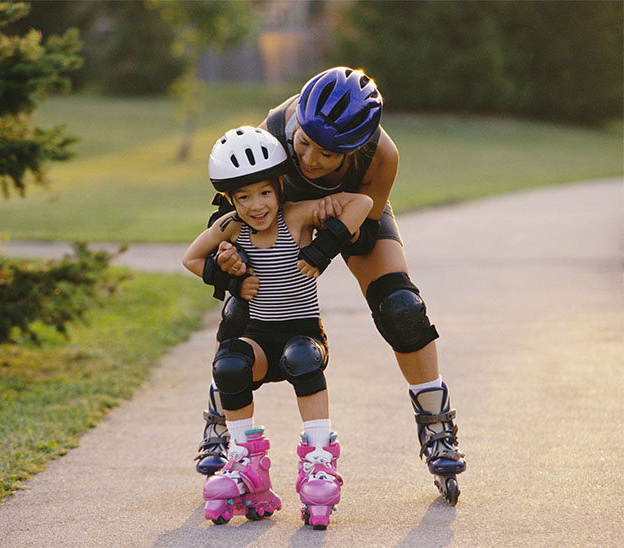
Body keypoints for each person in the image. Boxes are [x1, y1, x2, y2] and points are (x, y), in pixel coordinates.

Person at [195, 67, 466, 506]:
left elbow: (364, 226)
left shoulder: (381, 155)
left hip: (351, 217)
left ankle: (436, 424)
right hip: (278, 218)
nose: (309, 159)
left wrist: (322, 244)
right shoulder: (275, 129)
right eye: (304, 142)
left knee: (401, 307)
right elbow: (236, 202)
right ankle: (221, 420)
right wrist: (230, 259)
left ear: (355, 149)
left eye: (326, 154)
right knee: (242, 312)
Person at [183, 126, 373, 528]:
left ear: (279, 188)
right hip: (259, 340)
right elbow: (190, 258)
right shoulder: (231, 227)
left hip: (303, 336)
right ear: (230, 200)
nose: (256, 205)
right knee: (228, 364)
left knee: (302, 357)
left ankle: (319, 462)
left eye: (264, 192)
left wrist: (325, 245)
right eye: (244, 197)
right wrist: (230, 279)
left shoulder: (297, 215)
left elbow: (363, 201)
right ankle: (243, 462)